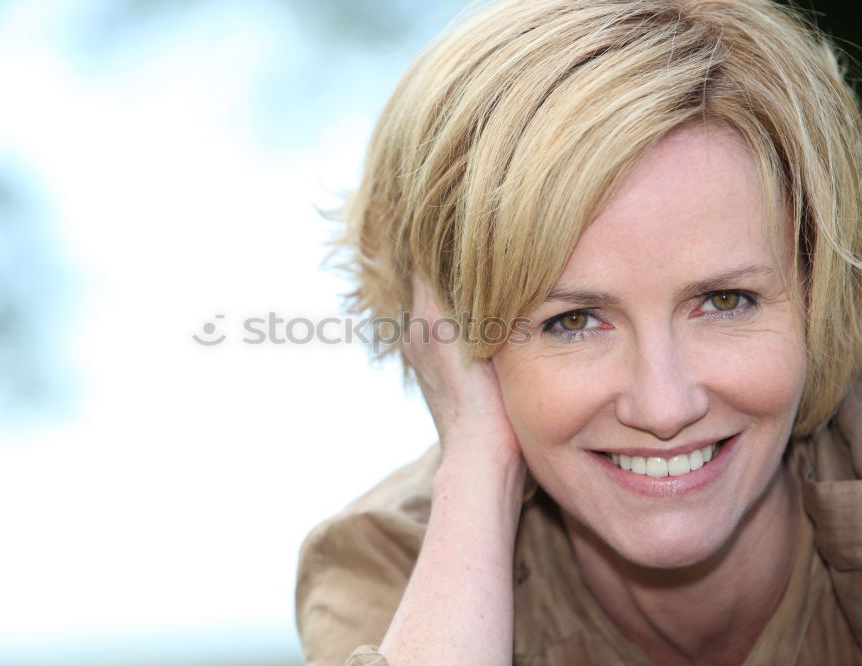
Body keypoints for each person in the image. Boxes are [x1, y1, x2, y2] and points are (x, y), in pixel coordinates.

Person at [296, 0, 862, 664]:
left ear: (819, 293)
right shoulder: (388, 559)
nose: (664, 407)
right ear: (450, 338)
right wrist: (481, 464)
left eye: (725, 300)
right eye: (573, 321)